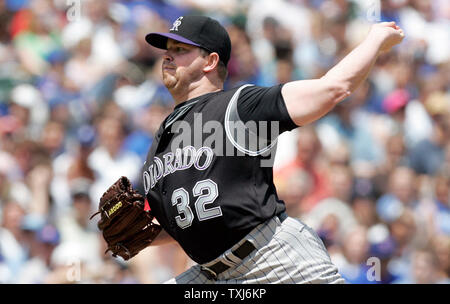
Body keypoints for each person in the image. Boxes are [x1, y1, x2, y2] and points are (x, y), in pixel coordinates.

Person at [142, 15, 404, 283]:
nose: (168, 57)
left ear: (210, 61)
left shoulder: (239, 106)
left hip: (273, 257)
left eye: (180, 50)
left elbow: (331, 88)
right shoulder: (163, 137)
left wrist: (374, 40)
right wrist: (138, 235)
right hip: (213, 273)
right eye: (167, 50)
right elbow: (185, 221)